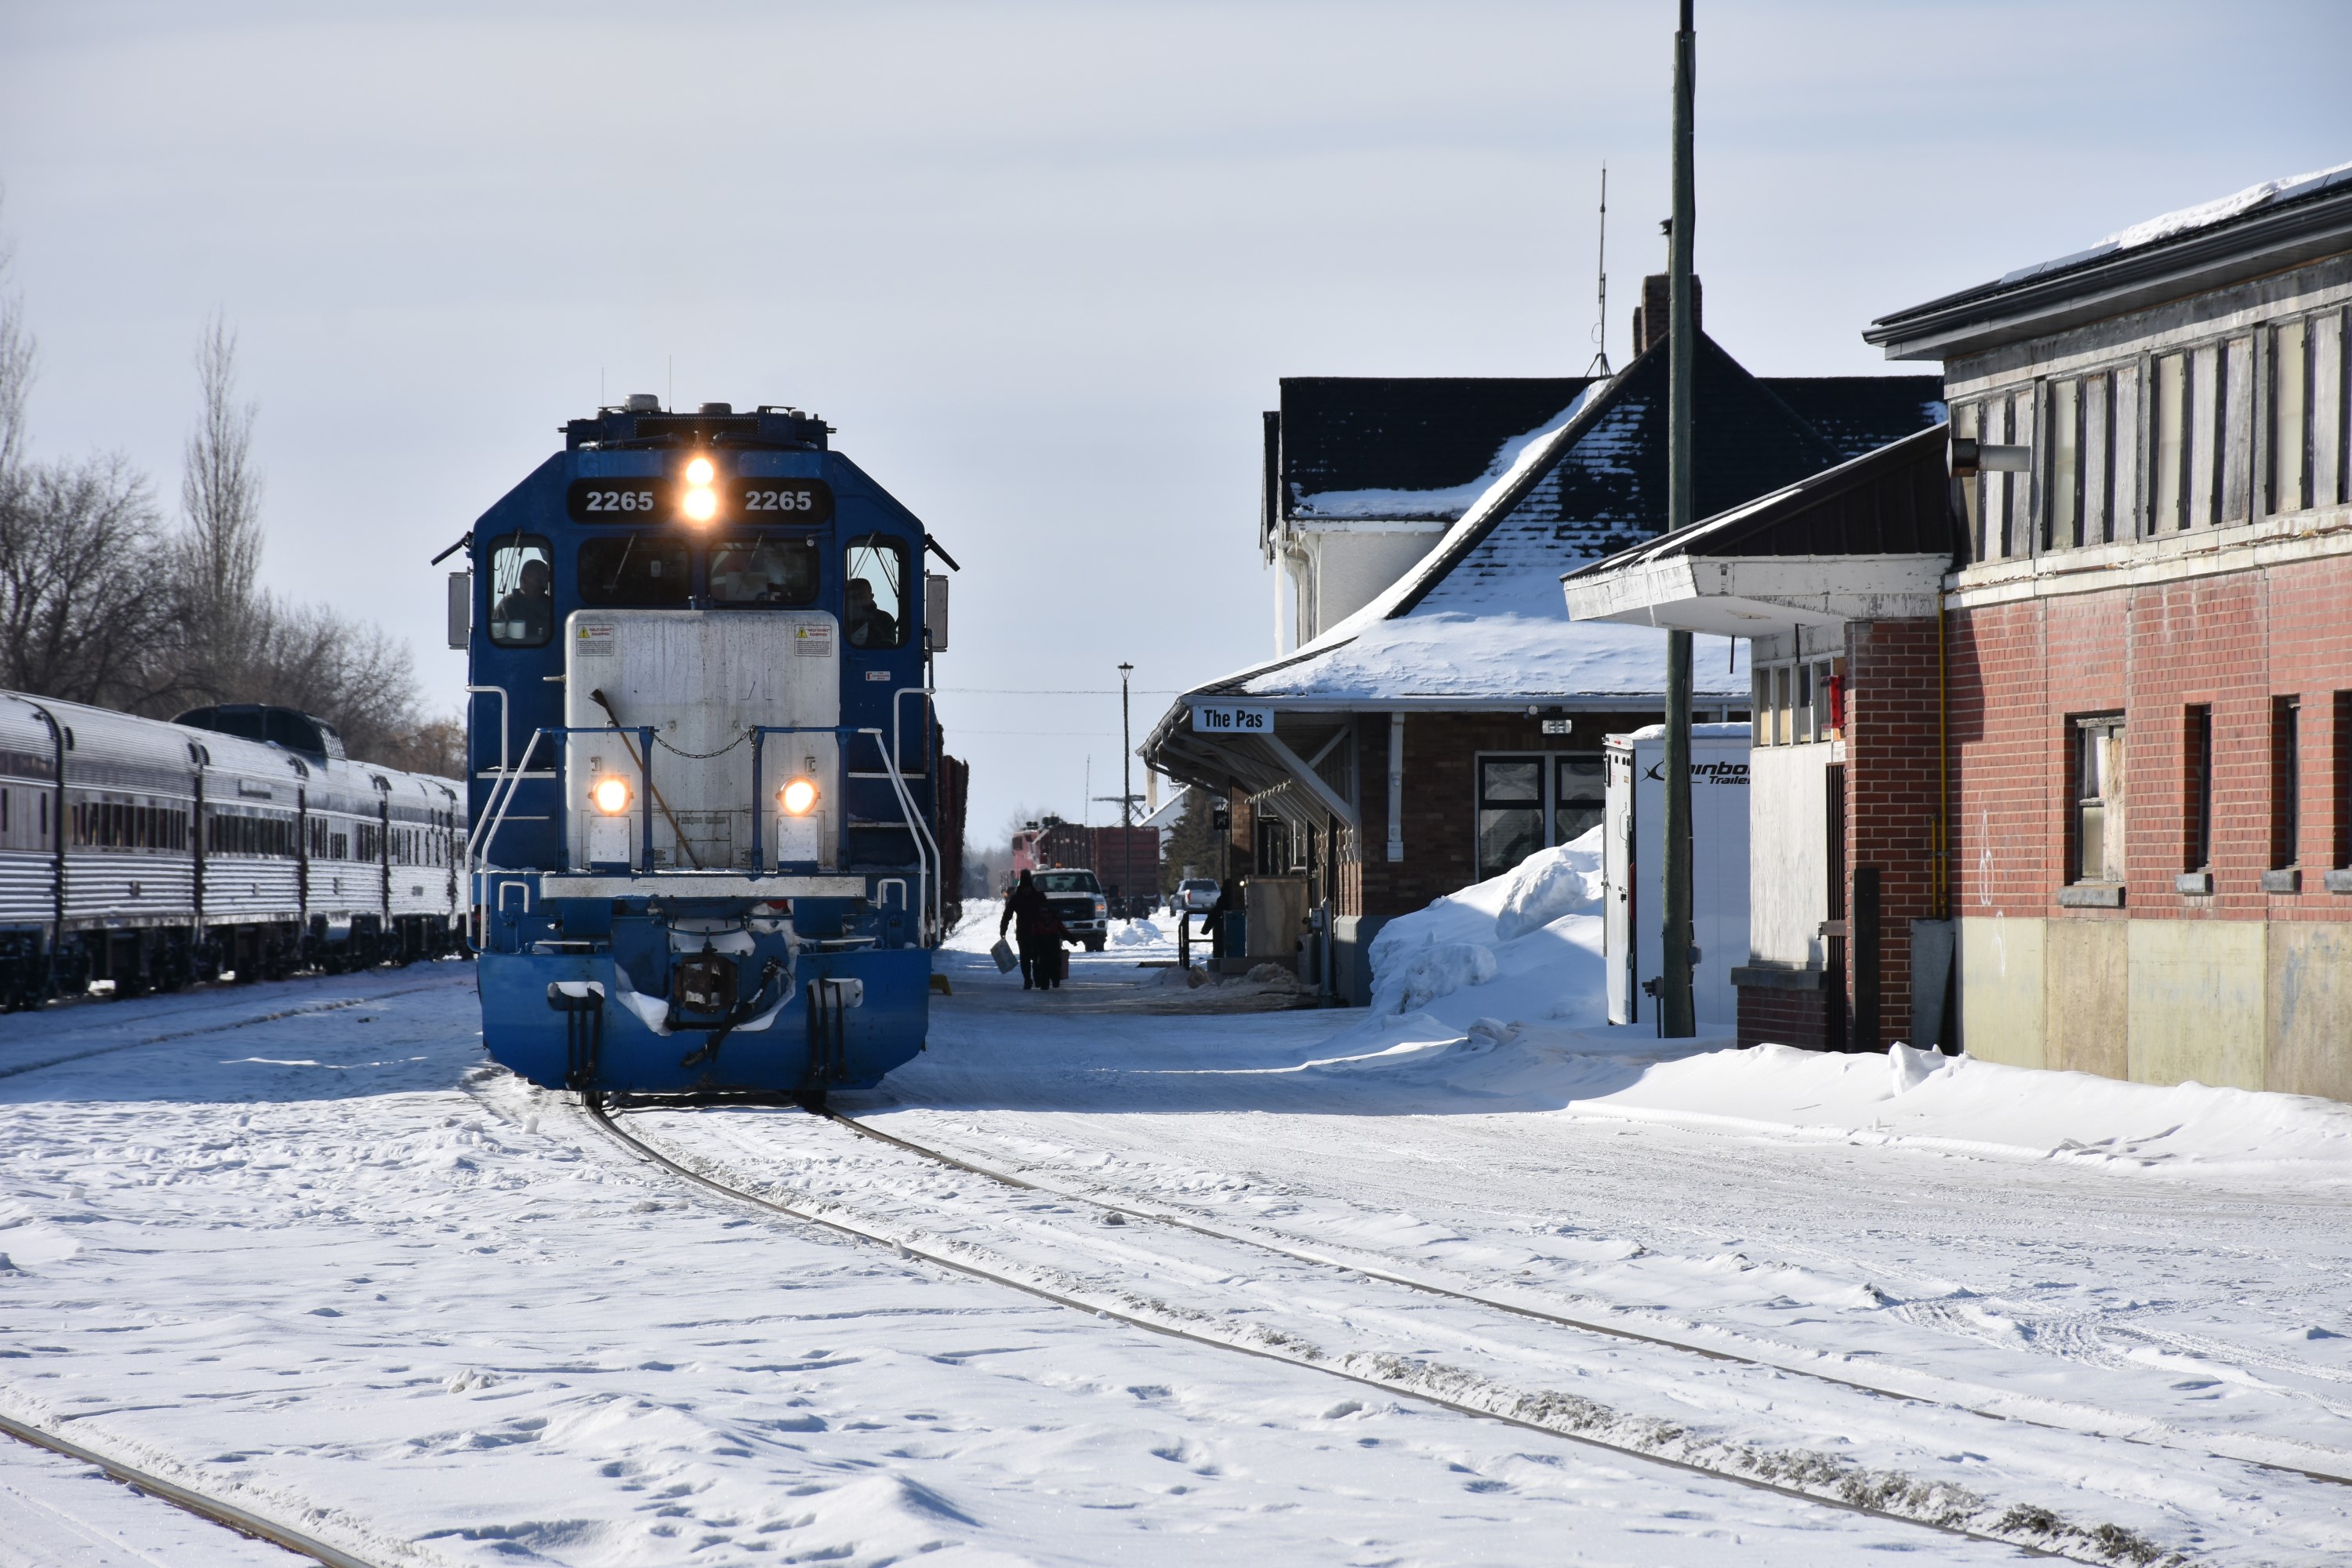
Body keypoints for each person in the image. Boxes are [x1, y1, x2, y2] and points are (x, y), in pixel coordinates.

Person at [1000, 869, 1056, 991]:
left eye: (1028, 887)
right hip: (1024, 933)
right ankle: (1027, 979)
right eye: (1024, 887)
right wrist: (1003, 929)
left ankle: (1036, 978)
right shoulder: (1018, 898)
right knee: (1025, 957)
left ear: (1031, 886)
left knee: (1037, 957)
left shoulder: (1034, 897)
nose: (1026, 890)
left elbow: (1049, 912)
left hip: (1038, 932)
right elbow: (1007, 915)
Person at [492, 557, 553, 644]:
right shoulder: (507, 606)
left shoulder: (551, 605)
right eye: (539, 581)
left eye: (545, 581)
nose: (544, 586)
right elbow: (498, 640)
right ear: (524, 580)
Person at [845, 575, 898, 648]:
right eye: (853, 596)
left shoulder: (884, 619)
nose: (857, 600)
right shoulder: (837, 619)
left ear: (871, 597)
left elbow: (888, 651)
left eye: (862, 595)